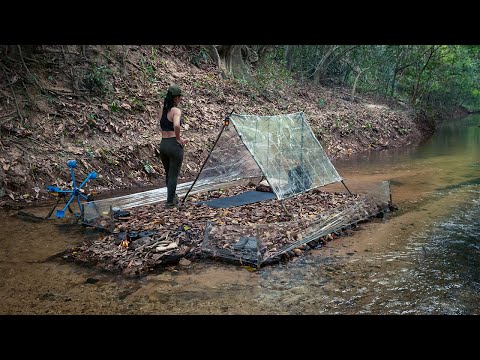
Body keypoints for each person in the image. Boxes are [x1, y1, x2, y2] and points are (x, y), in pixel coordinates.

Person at [159, 84, 188, 207]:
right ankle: (170, 202)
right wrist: (178, 138)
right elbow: (176, 125)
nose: (181, 99)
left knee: (168, 173)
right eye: (179, 97)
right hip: (173, 145)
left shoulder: (162, 110)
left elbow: (161, 124)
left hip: (163, 144)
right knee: (173, 175)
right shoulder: (176, 111)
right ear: (175, 98)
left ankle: (172, 196)